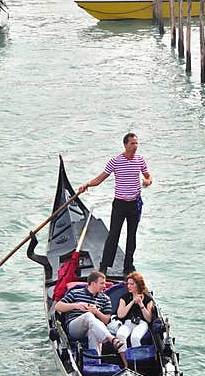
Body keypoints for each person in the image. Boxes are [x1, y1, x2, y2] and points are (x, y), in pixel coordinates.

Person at [78, 133, 153, 276]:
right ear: (125, 145)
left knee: (132, 235)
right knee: (113, 235)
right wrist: (87, 184)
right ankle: (104, 266)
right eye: (132, 143)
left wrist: (147, 182)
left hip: (135, 204)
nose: (135, 146)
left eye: (136, 143)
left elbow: (148, 176)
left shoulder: (140, 160)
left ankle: (128, 266)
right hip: (119, 204)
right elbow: (100, 178)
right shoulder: (115, 161)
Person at [54, 270, 127, 364]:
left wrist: (96, 312)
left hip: (94, 328)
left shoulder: (105, 299)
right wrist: (75, 305)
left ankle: (96, 363)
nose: (105, 286)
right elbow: (58, 306)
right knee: (88, 316)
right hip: (74, 328)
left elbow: (106, 320)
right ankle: (111, 339)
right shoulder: (75, 293)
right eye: (102, 283)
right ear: (93, 283)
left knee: (94, 332)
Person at [115, 271, 156, 349]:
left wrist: (141, 304)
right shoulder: (124, 298)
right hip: (128, 323)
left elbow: (149, 319)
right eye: (128, 284)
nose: (129, 286)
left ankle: (136, 359)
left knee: (135, 337)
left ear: (138, 285)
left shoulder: (148, 299)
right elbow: (120, 315)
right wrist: (132, 302)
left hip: (142, 323)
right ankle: (125, 360)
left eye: (132, 284)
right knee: (120, 335)